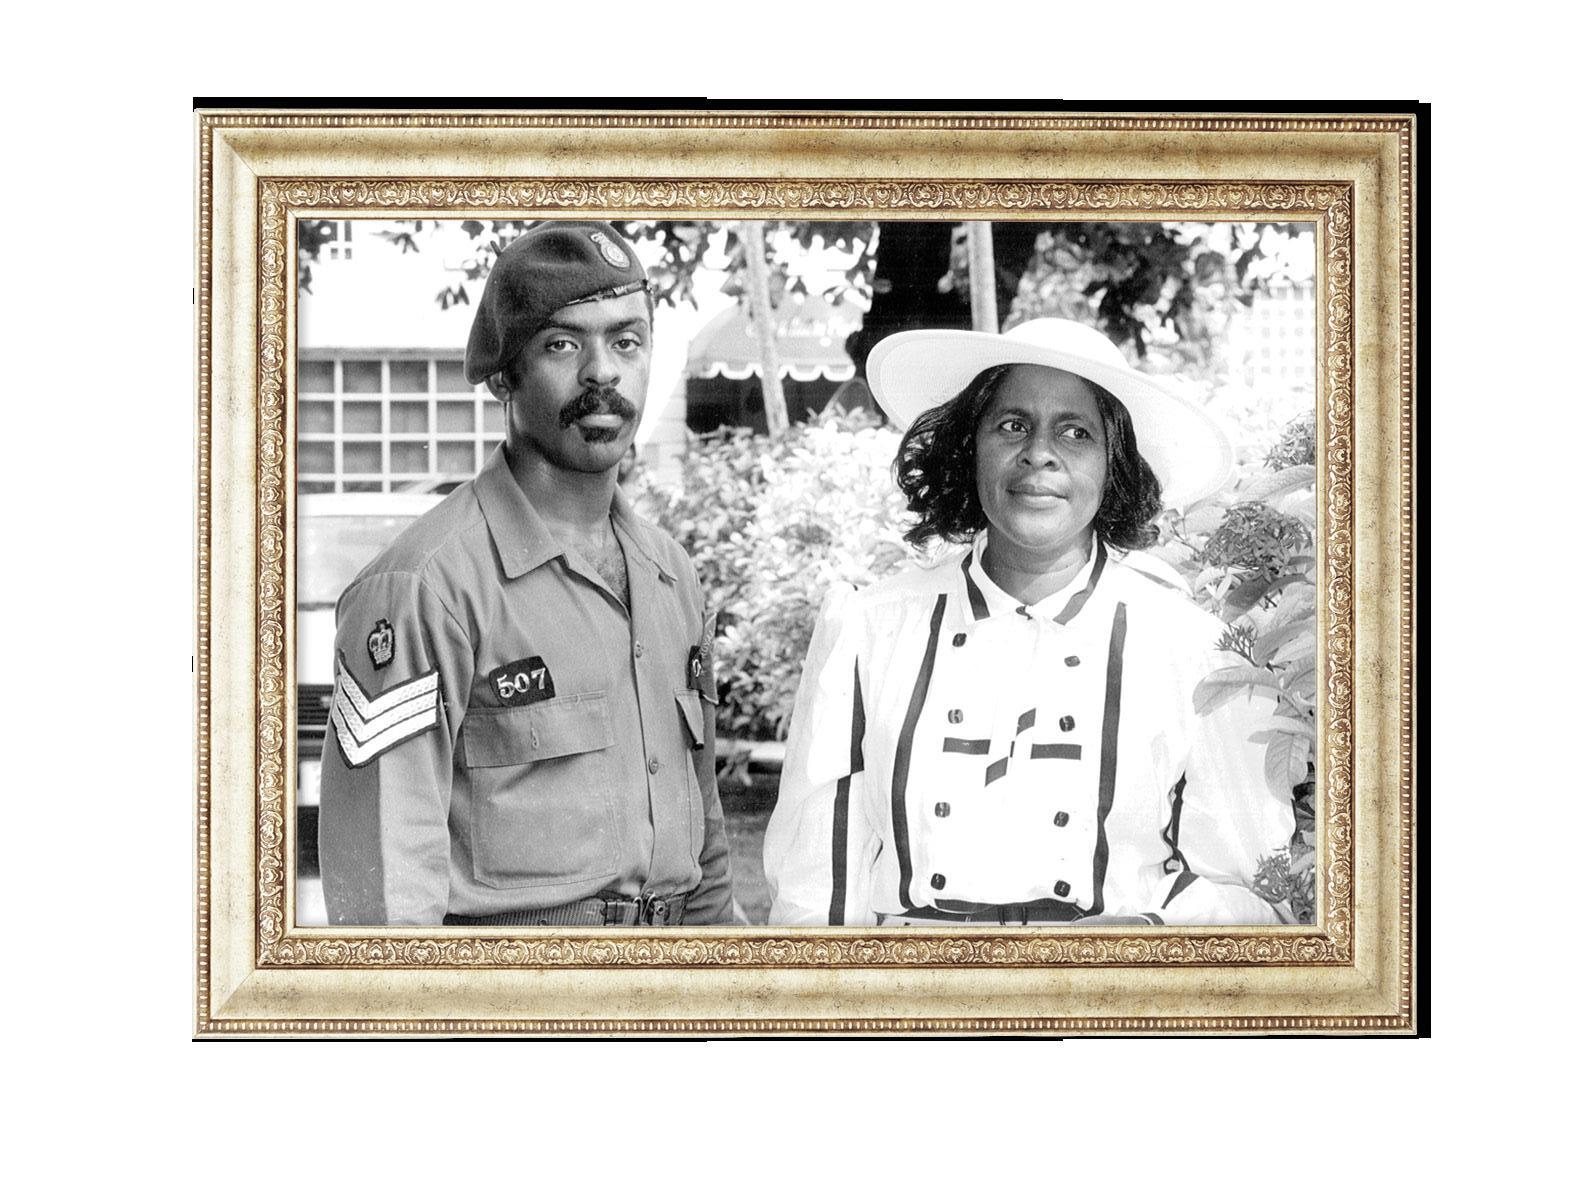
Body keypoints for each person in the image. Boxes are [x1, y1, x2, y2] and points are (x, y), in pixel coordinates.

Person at [763, 318, 1294, 926]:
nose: (1039, 453)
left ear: (1114, 464)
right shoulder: (870, 631)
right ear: (969, 448)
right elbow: (815, 895)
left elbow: (1253, 889)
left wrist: (1146, 938)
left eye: (1075, 433)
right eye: (1012, 425)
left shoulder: (1192, 651)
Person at [318, 221, 735, 927]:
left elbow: (706, 844)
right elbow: (384, 900)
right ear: (503, 376)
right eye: (562, 344)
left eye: (627, 342)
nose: (602, 373)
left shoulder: (672, 576)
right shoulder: (425, 589)